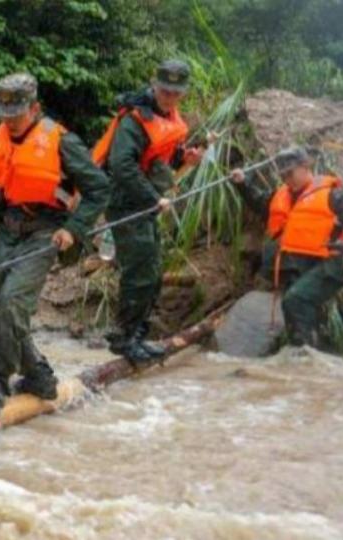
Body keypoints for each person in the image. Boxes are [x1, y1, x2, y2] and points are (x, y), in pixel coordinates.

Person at [0, 73, 111, 404]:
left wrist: (74, 228)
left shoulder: (62, 141)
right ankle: (37, 374)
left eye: (16, 115)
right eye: (4, 115)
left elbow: (99, 189)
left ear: (34, 108)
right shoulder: (0, 139)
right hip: (8, 228)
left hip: (46, 231)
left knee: (11, 304)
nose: (9, 122)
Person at [92, 59, 204, 365]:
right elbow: (122, 165)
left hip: (147, 204)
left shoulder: (169, 117)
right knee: (139, 272)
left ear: (182, 93)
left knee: (152, 272)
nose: (169, 97)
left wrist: (185, 158)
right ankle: (123, 338)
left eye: (175, 93)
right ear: (154, 85)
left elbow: (162, 157)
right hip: (127, 203)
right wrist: (154, 197)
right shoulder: (134, 120)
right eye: (164, 91)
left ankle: (137, 335)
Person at [230, 147, 343, 347]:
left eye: (290, 173)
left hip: (331, 264)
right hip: (298, 265)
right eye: (283, 175)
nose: (287, 178)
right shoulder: (282, 195)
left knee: (295, 299)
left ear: (305, 167)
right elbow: (260, 203)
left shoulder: (332, 195)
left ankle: (305, 352)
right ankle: (304, 355)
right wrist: (243, 184)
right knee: (293, 306)